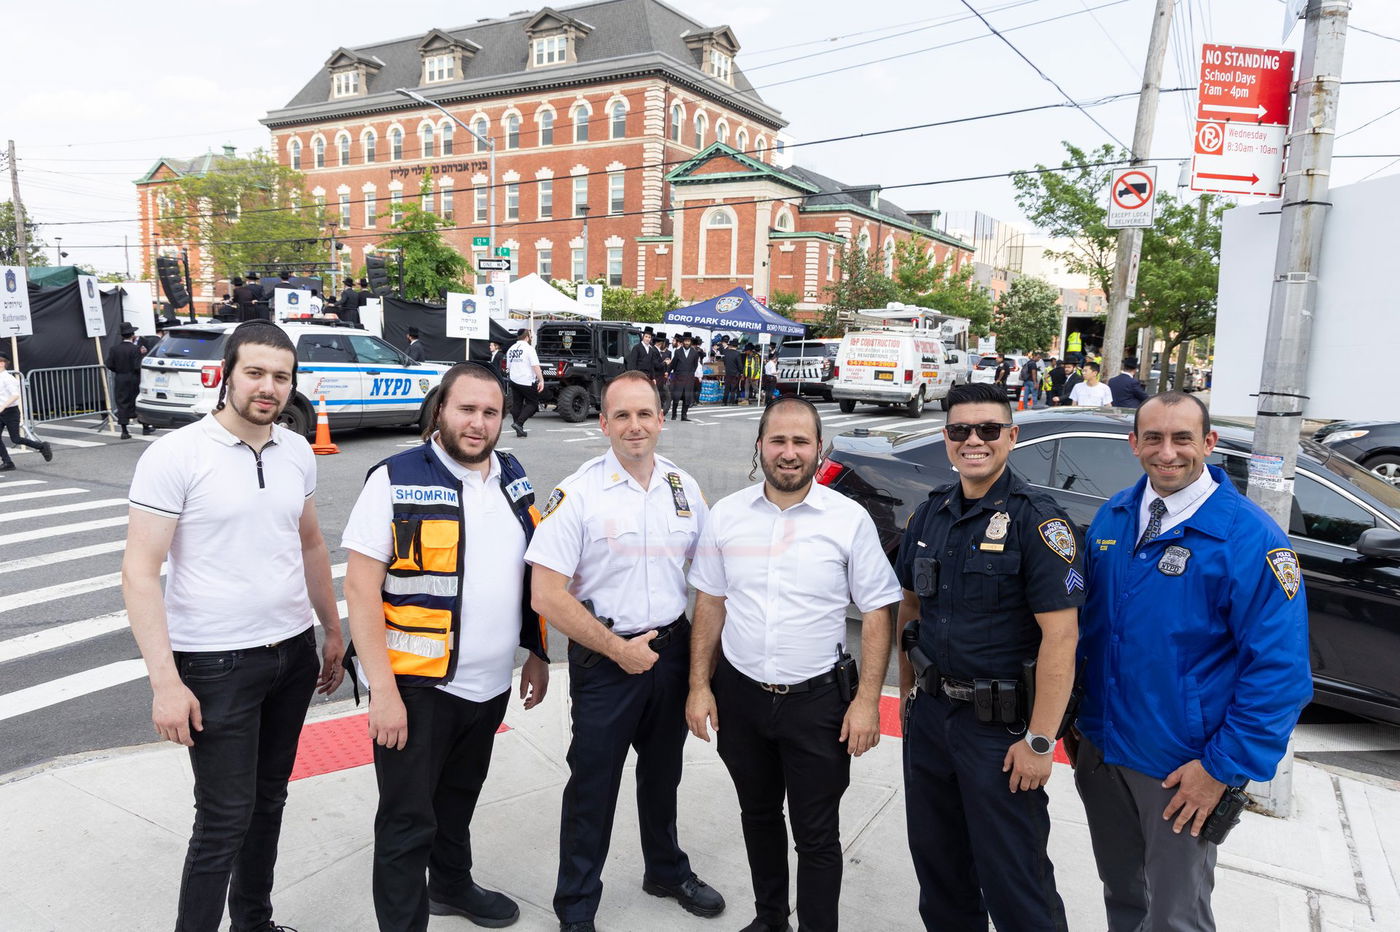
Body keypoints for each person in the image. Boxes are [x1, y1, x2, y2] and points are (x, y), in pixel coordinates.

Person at [121, 320, 345, 932]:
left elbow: (310, 546)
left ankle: (254, 922)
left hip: (293, 653)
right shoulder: (176, 454)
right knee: (223, 818)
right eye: (256, 372)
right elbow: (140, 574)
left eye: (281, 376)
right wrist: (166, 684)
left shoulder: (296, 450)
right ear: (226, 374)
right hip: (216, 665)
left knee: (269, 802)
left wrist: (331, 628)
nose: (268, 387)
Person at [1072, 391, 1312, 932]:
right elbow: (1087, 632)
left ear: (1209, 442)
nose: (1168, 452)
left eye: (1183, 438)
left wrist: (1220, 770)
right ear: (1134, 444)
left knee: (1176, 916)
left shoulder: (1250, 539)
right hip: (1103, 749)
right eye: (1153, 438)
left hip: (1181, 770)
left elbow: (1280, 677)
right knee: (1123, 895)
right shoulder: (1113, 518)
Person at [342, 361, 550, 931]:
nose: (478, 423)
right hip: (415, 689)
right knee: (408, 824)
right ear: (441, 411)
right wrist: (381, 690)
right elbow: (360, 589)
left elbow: (531, 571)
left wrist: (537, 650)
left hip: (488, 687)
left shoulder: (512, 475)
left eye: (491, 412)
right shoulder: (394, 477)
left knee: (457, 802)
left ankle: (452, 886)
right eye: (467, 409)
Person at [685, 397, 899, 932]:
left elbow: (877, 612)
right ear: (759, 447)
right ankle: (770, 919)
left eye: (800, 442)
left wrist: (867, 701)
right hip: (742, 697)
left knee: (817, 835)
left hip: (818, 704)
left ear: (819, 449)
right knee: (757, 817)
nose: (788, 452)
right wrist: (699, 687)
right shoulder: (727, 515)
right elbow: (710, 603)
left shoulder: (849, 520)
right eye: (777, 441)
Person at [528, 371, 723, 932]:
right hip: (605, 660)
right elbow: (546, 593)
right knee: (593, 785)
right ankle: (577, 907)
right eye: (622, 415)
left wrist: (703, 673)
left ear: (661, 419)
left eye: (645, 414)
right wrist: (618, 649)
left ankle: (665, 869)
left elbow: (710, 579)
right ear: (603, 423)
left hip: (670, 651)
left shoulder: (684, 488)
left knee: (663, 776)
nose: (634, 425)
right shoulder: (579, 493)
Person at [894, 381, 1082, 931]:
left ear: (1011, 436)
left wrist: (1041, 741)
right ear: (946, 437)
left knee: (1016, 880)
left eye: (988, 429)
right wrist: (909, 699)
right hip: (932, 719)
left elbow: (1061, 639)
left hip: (999, 736)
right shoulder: (929, 515)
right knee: (940, 871)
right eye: (959, 430)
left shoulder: (1039, 522)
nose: (973, 440)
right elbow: (911, 611)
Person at [0, 350, 54, 470]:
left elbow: (15, 395)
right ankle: (8, 462)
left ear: (2, 363)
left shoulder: (8, 378)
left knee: (16, 438)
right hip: (1, 412)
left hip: (10, 412)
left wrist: (3, 406)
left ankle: (41, 446)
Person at [107, 322, 149, 439]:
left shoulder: (114, 349)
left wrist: (119, 370)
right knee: (137, 401)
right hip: (133, 378)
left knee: (122, 402)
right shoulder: (136, 349)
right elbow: (137, 366)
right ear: (132, 335)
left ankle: (124, 431)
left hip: (120, 377)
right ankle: (145, 427)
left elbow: (109, 364)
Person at [506, 328, 545, 438]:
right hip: (526, 380)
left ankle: (519, 429)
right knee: (532, 403)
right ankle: (519, 423)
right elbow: (535, 366)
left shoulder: (511, 349)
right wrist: (541, 380)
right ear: (527, 337)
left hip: (514, 379)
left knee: (517, 403)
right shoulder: (529, 349)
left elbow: (508, 366)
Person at [670, 332, 702, 421]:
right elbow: (673, 364)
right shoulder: (677, 352)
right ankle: (674, 415)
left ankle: (684, 416)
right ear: (683, 341)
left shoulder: (695, 353)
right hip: (679, 377)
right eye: (685, 341)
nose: (687, 343)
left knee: (687, 398)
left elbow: (695, 365)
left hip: (689, 378)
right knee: (676, 398)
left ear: (690, 342)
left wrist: (691, 374)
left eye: (688, 341)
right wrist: (668, 372)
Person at [721, 339, 744, 405]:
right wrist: (741, 372)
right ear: (736, 346)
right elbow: (739, 364)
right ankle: (732, 401)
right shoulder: (737, 354)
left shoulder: (726, 353)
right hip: (735, 373)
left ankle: (724, 401)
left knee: (727, 388)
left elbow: (724, 362)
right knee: (733, 388)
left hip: (728, 372)